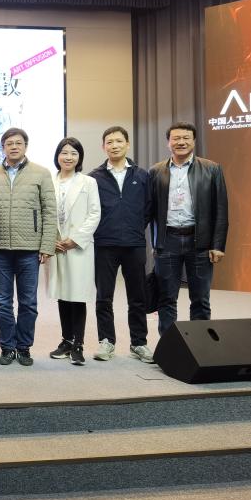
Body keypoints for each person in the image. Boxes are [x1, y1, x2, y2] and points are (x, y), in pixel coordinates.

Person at [0, 127, 58, 367]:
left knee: (28, 302)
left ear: (25, 146)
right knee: (2, 302)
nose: (14, 147)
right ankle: (7, 347)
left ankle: (24, 347)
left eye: (18, 143)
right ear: (3, 148)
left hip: (29, 249)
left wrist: (47, 245)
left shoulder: (41, 173)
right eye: (9, 143)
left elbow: (49, 211)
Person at [149, 121, 229, 335]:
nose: (181, 142)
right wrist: (153, 242)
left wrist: (217, 245)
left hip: (200, 242)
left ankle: (200, 346)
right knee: (166, 298)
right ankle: (169, 347)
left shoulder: (211, 169)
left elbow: (221, 209)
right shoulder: (156, 171)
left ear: (194, 141)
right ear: (168, 143)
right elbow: (149, 210)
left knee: (200, 298)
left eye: (186, 138)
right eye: (176, 138)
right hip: (168, 241)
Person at [87, 126, 153, 363]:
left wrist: (134, 228)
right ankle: (107, 341)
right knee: (104, 296)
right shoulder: (94, 177)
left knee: (137, 296)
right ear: (103, 146)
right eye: (109, 142)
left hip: (134, 244)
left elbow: (148, 208)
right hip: (104, 244)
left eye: (118, 141)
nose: (114, 145)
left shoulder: (142, 175)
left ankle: (139, 342)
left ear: (127, 144)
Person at [45, 137, 101, 366]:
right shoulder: (48, 181)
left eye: (73, 153)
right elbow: (44, 212)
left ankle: (78, 344)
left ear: (80, 158)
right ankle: (66, 341)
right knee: (62, 293)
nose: (68, 157)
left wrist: (75, 240)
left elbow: (94, 214)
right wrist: (51, 240)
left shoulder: (88, 182)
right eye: (64, 153)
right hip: (56, 245)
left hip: (78, 247)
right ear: (57, 156)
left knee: (77, 295)